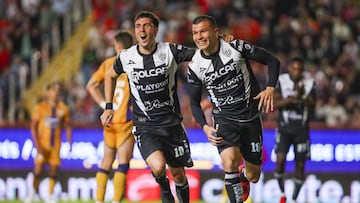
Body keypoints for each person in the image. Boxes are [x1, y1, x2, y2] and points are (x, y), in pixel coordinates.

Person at [100, 11, 196, 203]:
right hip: (145, 126)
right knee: (159, 167)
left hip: (172, 125)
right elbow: (109, 76)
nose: (142, 30)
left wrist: (219, 44)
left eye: (146, 25)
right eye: (138, 26)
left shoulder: (170, 51)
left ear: (155, 30)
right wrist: (108, 106)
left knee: (178, 175)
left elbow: (200, 54)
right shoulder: (127, 57)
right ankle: (164, 189)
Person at [187, 15, 280, 203]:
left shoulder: (235, 47)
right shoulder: (195, 66)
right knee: (229, 161)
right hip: (224, 119)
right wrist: (205, 126)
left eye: (203, 31)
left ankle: (243, 176)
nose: (199, 36)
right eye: (195, 33)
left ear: (215, 32)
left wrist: (270, 87)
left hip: (250, 117)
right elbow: (194, 103)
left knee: (254, 176)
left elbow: (272, 61)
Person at [86, 31, 135, 203]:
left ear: (119, 46)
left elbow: (91, 85)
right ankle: (115, 201)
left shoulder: (108, 63)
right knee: (122, 164)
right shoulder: (134, 63)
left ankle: (99, 200)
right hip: (126, 121)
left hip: (109, 121)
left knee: (106, 162)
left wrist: (103, 105)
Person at [273, 57, 316, 203]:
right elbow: (275, 103)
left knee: (300, 165)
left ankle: (294, 199)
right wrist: (294, 98)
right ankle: (281, 192)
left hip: (302, 131)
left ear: (302, 70)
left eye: (299, 69)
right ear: (289, 68)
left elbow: (313, 107)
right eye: (294, 68)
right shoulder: (282, 80)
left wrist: (303, 96)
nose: (297, 71)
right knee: (280, 161)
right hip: (284, 129)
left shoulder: (309, 83)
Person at [26, 82, 72, 203]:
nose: (55, 93)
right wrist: (37, 144)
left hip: (56, 145)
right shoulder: (40, 107)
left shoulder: (63, 108)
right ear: (47, 92)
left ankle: (50, 195)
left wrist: (69, 141)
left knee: (53, 169)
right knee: (38, 169)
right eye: (53, 90)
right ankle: (31, 194)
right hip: (43, 144)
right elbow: (33, 126)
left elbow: (67, 125)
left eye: (57, 90)